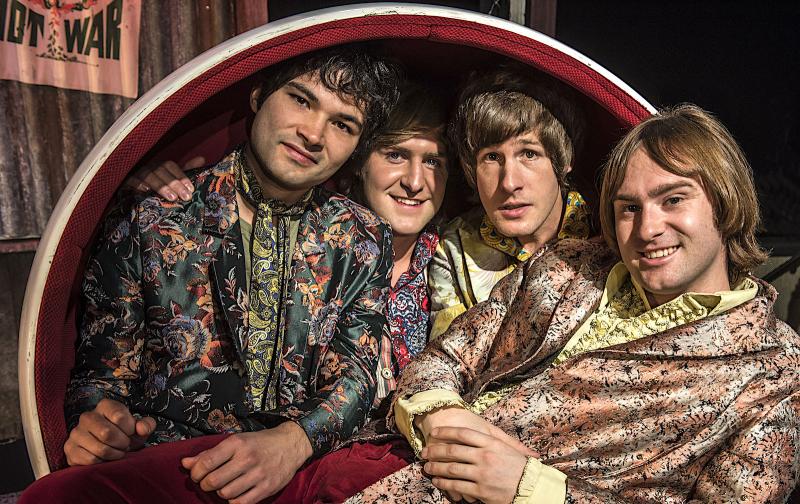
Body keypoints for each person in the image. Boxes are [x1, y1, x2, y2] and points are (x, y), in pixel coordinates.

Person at [343, 104, 800, 503]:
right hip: (381, 470)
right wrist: (444, 420)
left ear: (726, 202)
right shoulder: (568, 265)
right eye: (629, 208)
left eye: (673, 200)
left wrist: (533, 489)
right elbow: (444, 357)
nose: (647, 229)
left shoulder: (774, 375)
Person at [21, 46, 403, 504]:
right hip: (176, 468)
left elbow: (356, 374)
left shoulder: (363, 236)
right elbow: (102, 374)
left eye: (343, 124)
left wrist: (293, 442)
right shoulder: (155, 214)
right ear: (259, 96)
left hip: (301, 468)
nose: (313, 133)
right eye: (301, 100)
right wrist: (98, 425)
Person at [427, 64, 591, 338]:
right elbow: (447, 355)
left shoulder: (609, 233)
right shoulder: (455, 248)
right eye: (491, 157)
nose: (509, 182)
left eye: (529, 154)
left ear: (565, 160)